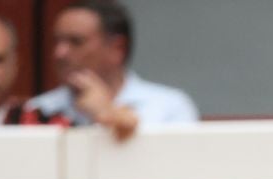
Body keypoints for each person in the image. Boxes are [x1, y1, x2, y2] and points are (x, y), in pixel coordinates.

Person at [24, 0, 199, 140]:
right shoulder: (39, 109)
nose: (59, 53)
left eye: (76, 42)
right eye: (57, 42)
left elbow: (172, 173)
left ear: (117, 48)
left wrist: (106, 112)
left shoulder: (169, 106)